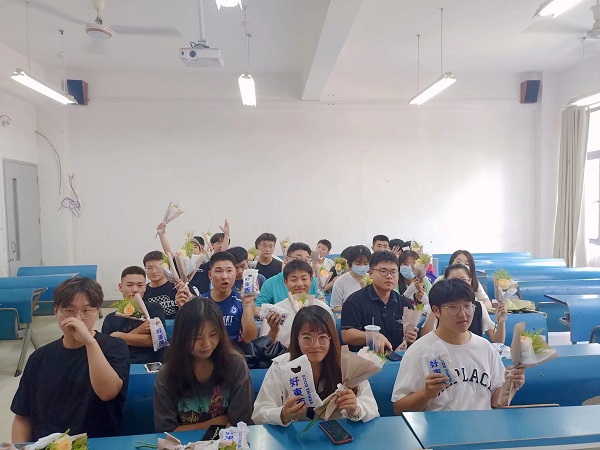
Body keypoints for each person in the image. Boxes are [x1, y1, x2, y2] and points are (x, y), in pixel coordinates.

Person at [11, 277, 129, 441]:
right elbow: (22, 417)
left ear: (97, 311)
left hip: (96, 442)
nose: (78, 319)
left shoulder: (114, 347)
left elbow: (107, 393)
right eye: (69, 310)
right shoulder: (38, 358)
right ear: (56, 311)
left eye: (86, 311)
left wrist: (89, 342)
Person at [391, 279, 525, 413]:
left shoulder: (485, 347)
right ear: (436, 310)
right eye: (453, 307)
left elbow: (496, 402)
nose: (463, 314)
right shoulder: (420, 350)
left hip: (482, 424)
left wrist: (510, 385)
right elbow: (399, 408)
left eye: (467, 306)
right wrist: (426, 394)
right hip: (440, 425)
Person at [252, 306, 379, 425]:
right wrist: (283, 415)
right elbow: (259, 413)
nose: (315, 345)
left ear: (331, 338)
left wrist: (356, 409)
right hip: (294, 435)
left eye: (322, 337)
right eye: (307, 338)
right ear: (297, 339)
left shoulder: (349, 365)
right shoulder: (281, 366)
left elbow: (372, 408)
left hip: (338, 434)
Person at [153, 297, 253, 432]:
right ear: (182, 337)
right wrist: (220, 421)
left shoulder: (235, 364)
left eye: (213, 334)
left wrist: (185, 428)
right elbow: (166, 429)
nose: (207, 344)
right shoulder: (168, 373)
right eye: (197, 337)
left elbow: (240, 421)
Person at [341, 251, 417, 352]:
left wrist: (410, 337)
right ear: (370, 273)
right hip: (365, 358)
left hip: (397, 358)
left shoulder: (404, 304)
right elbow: (346, 335)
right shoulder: (354, 301)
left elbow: (408, 339)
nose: (389, 276)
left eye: (393, 272)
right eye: (383, 271)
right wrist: (372, 336)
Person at [421, 264, 507, 343]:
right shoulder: (439, 307)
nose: (459, 284)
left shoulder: (478, 306)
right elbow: (426, 339)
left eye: (463, 280)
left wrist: (501, 322)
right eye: (454, 280)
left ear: (470, 281)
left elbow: (497, 341)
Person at [259, 260, 334, 348]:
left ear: (311, 280)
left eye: (304, 279)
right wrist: (274, 330)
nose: (300, 284)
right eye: (294, 280)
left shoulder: (323, 308)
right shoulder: (276, 311)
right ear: (285, 282)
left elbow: (332, 340)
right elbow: (264, 347)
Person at [102, 266, 167, 363]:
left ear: (145, 287)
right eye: (129, 285)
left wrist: (119, 336)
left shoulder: (154, 308)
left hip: (151, 363)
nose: (135, 290)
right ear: (120, 287)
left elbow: (157, 340)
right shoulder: (111, 318)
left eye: (140, 285)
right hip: (121, 363)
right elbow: (109, 347)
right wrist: (139, 330)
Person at [201, 252, 258, 343]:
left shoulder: (242, 301)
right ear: (210, 275)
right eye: (219, 271)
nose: (224, 276)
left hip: (234, 350)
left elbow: (250, 338)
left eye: (229, 271)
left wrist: (247, 304)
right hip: (208, 350)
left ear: (235, 273)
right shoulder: (200, 303)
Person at [255, 242, 320, 311]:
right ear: (286, 259)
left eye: (306, 260)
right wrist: (274, 313)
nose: (302, 263)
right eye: (298, 259)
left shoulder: (313, 281)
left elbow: (321, 304)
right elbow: (258, 308)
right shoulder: (270, 283)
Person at [330, 245, 372, 312]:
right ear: (350, 263)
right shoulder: (341, 281)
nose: (362, 267)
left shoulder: (372, 279)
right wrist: (353, 308)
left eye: (365, 264)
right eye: (358, 264)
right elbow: (334, 308)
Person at [143, 250, 178, 319]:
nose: (154, 271)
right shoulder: (143, 291)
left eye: (158, 267)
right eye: (149, 268)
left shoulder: (177, 286)